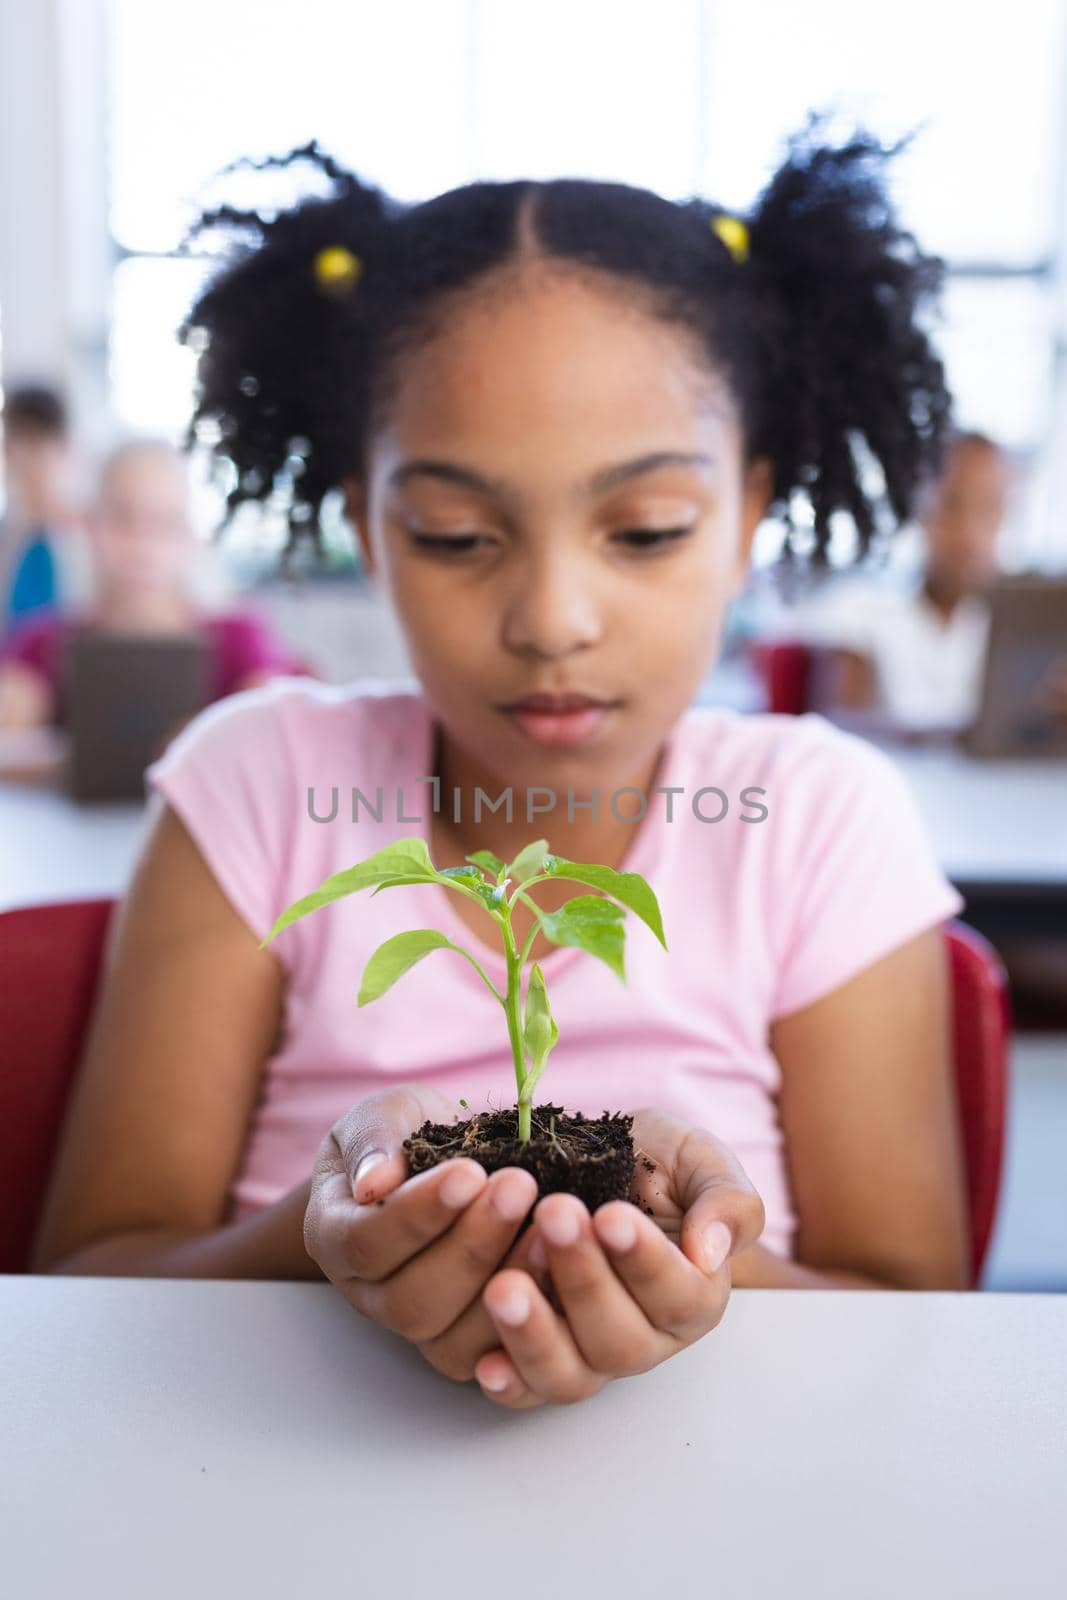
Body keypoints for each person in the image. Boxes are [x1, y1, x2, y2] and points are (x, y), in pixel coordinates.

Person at [31, 129, 972, 1412]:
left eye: (642, 530)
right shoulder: (256, 785)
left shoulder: (816, 823)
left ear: (750, 510)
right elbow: (90, 1276)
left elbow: (925, 1327)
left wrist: (675, 1254)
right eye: (455, 534)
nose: (551, 617)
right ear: (366, 522)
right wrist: (333, 1229)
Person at [0, 437, 310, 731]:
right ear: (88, 525)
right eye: (122, 517)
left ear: (190, 538)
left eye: (164, 522)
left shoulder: (240, 643)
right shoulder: (41, 646)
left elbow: (283, 722)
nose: (142, 544)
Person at [791, 430, 1026, 733]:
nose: (970, 532)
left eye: (990, 508)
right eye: (951, 504)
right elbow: (841, 734)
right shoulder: (858, 610)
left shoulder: (1019, 626)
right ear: (920, 506)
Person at [0, 383, 85, 636]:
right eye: (13, 446)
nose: (24, 461)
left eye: (35, 445)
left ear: (63, 448)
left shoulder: (89, 533)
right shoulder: (7, 535)